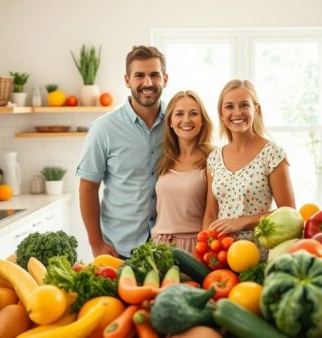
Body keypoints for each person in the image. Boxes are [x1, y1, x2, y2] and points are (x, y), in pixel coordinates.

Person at [76, 45, 168, 258]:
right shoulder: (103, 129)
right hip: (119, 249)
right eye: (139, 75)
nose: (148, 83)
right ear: (127, 80)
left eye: (155, 75)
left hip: (170, 247)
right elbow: (88, 188)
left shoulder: (178, 123)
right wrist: (96, 244)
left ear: (165, 78)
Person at [203, 79, 295, 255]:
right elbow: (210, 213)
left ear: (256, 110)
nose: (237, 113)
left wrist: (244, 221)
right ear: (221, 114)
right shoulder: (214, 158)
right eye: (229, 106)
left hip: (259, 254)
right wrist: (208, 247)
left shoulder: (272, 154)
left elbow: (289, 214)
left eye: (244, 105)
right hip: (222, 255)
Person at [151, 90, 214, 253]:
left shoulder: (213, 159)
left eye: (193, 113)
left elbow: (214, 213)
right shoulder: (165, 159)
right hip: (160, 246)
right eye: (179, 114)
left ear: (202, 121)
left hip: (195, 247)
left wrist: (205, 248)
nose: (186, 120)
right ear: (170, 122)